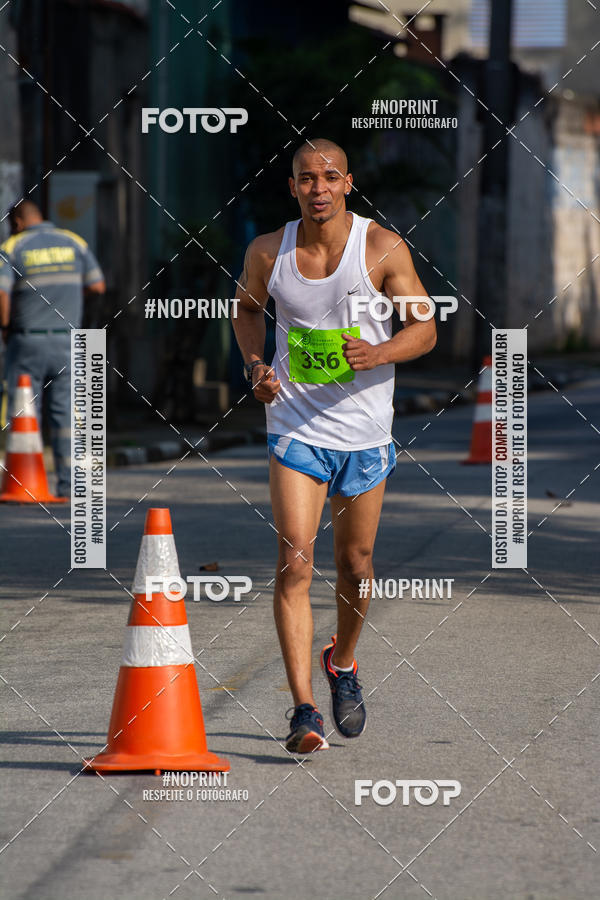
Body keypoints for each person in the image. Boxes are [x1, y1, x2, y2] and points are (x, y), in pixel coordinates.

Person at [232, 139, 436, 753]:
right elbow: (245, 311)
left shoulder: (382, 248)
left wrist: (381, 351)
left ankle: (342, 661)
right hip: (295, 427)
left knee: (356, 564)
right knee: (295, 562)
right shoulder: (270, 251)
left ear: (348, 183)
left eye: (328, 177)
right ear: (291, 187)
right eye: (304, 178)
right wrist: (254, 365)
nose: (317, 187)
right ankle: (303, 710)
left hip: (366, 433)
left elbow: (424, 326)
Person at [0, 200, 105, 498]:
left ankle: (22, 482)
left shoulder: (13, 246)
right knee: (67, 416)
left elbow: (1, 292)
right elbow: (98, 286)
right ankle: (70, 486)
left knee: (23, 411)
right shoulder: (73, 241)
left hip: (27, 340)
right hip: (69, 342)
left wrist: (5, 327)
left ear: (17, 222)